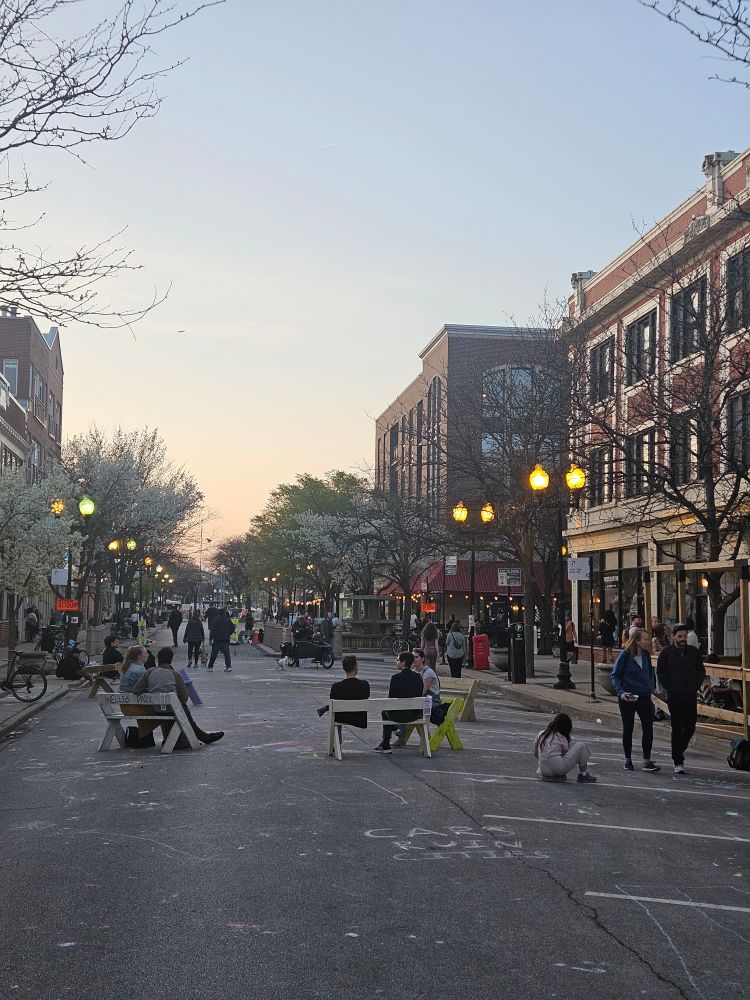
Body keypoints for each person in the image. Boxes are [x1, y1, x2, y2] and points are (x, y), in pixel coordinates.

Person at [132, 646, 224, 747]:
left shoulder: (148, 672)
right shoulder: (175, 674)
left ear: (158, 659)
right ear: (171, 660)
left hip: (155, 709)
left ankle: (193, 738)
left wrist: (154, 692)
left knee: (178, 708)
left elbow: (136, 690)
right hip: (171, 710)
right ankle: (203, 737)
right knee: (181, 707)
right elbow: (184, 697)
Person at [656, 623, 706, 774]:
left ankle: (679, 749)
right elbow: (661, 673)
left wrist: (694, 685)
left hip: (690, 695)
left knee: (690, 726)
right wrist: (671, 687)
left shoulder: (693, 652)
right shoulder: (666, 653)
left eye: (684, 636)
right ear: (673, 637)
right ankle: (677, 760)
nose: (683, 639)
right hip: (675, 696)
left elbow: (701, 671)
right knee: (677, 728)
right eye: (680, 636)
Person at [611, 628, 660, 772]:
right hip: (628, 697)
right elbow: (614, 675)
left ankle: (647, 760)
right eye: (645, 639)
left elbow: (650, 672)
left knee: (648, 727)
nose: (648, 642)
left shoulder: (645, 655)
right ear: (637, 640)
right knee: (628, 727)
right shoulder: (625, 655)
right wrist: (621, 692)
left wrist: (652, 686)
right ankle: (628, 759)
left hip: (644, 696)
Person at [374, 650, 424, 754]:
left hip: (397, 716)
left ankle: (386, 744)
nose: (396, 662)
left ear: (404, 662)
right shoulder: (418, 677)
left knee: (385, 712)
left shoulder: (395, 678)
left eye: (397, 660)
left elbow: (391, 699)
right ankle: (392, 731)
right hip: (414, 715)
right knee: (387, 711)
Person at [317, 655, 370, 750]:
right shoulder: (365, 685)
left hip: (342, 716)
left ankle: (336, 744)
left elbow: (333, 702)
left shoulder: (336, 687)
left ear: (344, 668)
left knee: (334, 711)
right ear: (356, 667)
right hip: (359, 717)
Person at [533, 713, 596, 783]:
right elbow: (565, 756)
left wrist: (547, 762)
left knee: (552, 763)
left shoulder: (541, 733)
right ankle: (583, 775)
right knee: (581, 745)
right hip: (558, 769)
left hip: (543, 770)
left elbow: (536, 754)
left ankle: (551, 771)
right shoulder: (562, 738)